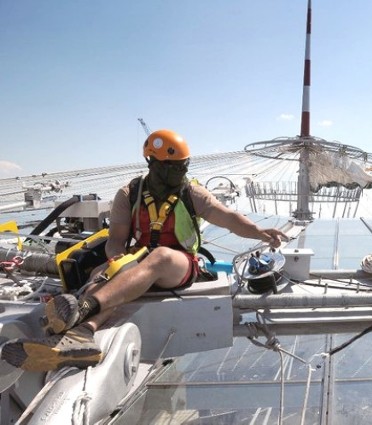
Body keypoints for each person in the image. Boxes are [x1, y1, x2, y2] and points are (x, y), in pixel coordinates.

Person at [1, 129, 288, 372]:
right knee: (104, 272)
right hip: (137, 261)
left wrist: (260, 233)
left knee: (159, 257)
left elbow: (227, 217)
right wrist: (115, 259)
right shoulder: (130, 194)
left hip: (179, 264)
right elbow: (116, 239)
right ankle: (80, 336)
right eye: (172, 167)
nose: (180, 172)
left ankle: (81, 308)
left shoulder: (192, 193)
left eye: (183, 167)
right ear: (152, 163)